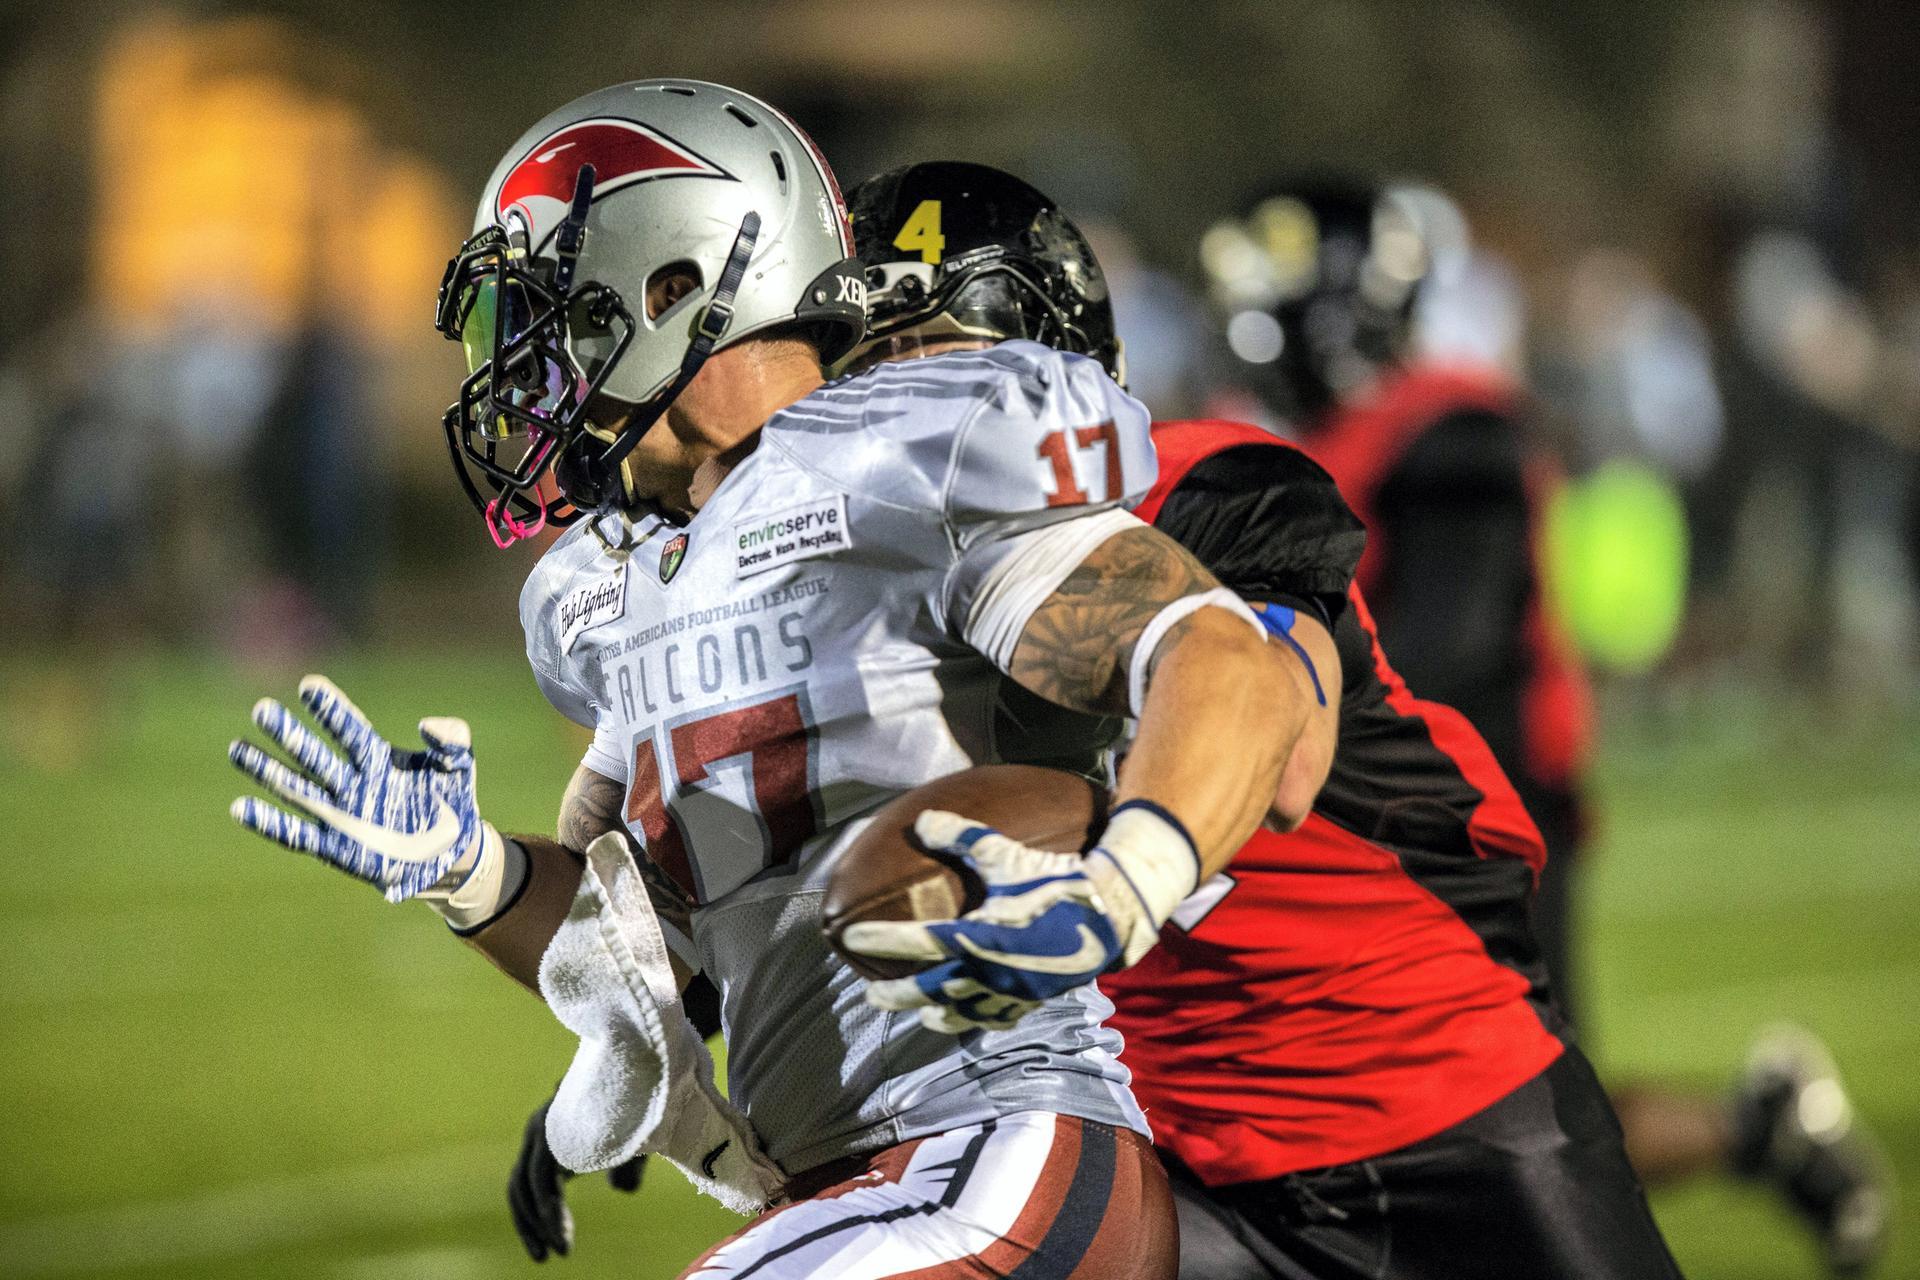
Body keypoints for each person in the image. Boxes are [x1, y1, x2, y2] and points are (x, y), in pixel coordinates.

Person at [223, 81, 1336, 1280]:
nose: (523, 372)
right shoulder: (617, 583)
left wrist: (1123, 889)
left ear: (676, 287)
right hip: (845, 1182)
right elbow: (649, 955)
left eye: (548, 315)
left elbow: (1219, 659)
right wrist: (471, 870)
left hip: (1005, 1151)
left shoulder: (903, 451)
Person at [509, 161, 1687, 1279]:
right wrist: (614, 1047)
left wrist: (1111, 852)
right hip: (1176, 1153)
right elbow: (708, 890)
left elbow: (1283, 733)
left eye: (922, 354)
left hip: (1428, 1103)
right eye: (859, 364)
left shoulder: (1194, 486)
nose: (885, 402)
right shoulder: (836, 568)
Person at [1201, 176, 1890, 1276]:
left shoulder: (1454, 426)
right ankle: (1761, 1132)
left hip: (1477, 822)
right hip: (1391, 819)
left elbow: (1445, 647)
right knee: (1475, 1097)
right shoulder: (1342, 433)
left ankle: (1739, 1147)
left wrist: (1277, 720)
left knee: (1515, 1099)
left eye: (1271, 296)